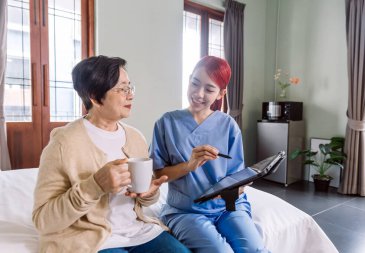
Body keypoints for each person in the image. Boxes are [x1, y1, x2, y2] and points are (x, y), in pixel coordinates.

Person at [32, 55, 190, 253]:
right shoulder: (63, 143)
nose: (130, 95)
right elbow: (43, 220)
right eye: (122, 89)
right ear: (96, 97)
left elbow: (141, 198)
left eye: (130, 87)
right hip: (93, 240)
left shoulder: (135, 137)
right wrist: (95, 186)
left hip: (138, 232)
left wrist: (150, 193)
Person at [150, 56, 269, 253]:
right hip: (186, 211)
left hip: (228, 208)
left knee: (255, 249)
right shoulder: (166, 123)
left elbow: (234, 174)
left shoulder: (228, 125)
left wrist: (238, 187)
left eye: (209, 89)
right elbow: (157, 175)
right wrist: (189, 165)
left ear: (221, 93)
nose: (198, 93)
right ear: (189, 80)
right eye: (194, 83)